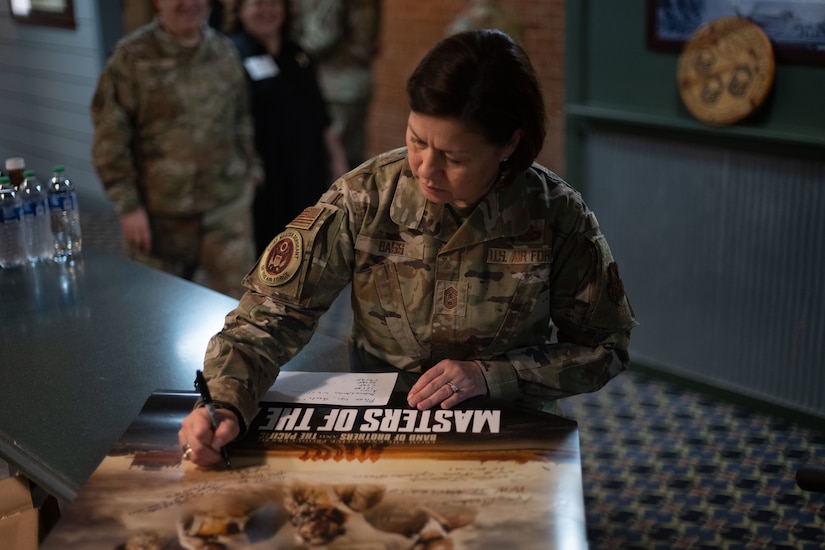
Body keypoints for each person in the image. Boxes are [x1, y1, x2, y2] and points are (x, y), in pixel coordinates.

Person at [179, 29, 637, 466]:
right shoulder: (365, 196)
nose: (426, 170)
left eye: (454, 158)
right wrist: (223, 401)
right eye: (417, 141)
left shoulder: (556, 214)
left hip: (507, 418)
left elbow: (606, 347)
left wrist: (494, 375)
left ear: (509, 145)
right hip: (383, 416)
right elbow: (272, 314)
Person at [91, 0, 262, 299]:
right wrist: (128, 207)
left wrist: (251, 174)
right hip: (160, 220)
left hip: (226, 213)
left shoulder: (224, 51)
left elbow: (242, 121)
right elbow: (110, 138)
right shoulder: (131, 57)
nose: (189, 4)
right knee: (155, 317)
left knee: (243, 312)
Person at [226, 0, 348, 255]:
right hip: (263, 180)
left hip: (305, 173)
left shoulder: (298, 54)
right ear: (240, 10)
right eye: (257, 4)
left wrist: (339, 162)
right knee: (266, 253)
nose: (266, 11)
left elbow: (320, 114)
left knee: (306, 247)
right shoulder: (231, 54)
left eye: (273, 3)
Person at [288, 0, 382, 170]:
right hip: (355, 82)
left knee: (334, 161)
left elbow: (321, 40)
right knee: (353, 159)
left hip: (335, 86)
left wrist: (285, 47)